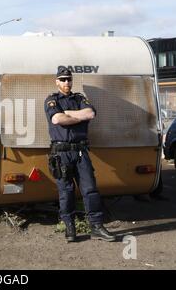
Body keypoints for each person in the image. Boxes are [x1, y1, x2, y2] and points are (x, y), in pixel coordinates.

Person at [44, 67, 115, 243]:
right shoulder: (52, 100)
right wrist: (78, 117)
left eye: (68, 79)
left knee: (90, 190)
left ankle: (97, 226)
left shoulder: (80, 98)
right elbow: (57, 119)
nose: (66, 82)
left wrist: (68, 114)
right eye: (62, 79)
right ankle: (70, 227)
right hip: (62, 154)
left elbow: (90, 113)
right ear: (56, 82)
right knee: (66, 192)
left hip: (81, 152)